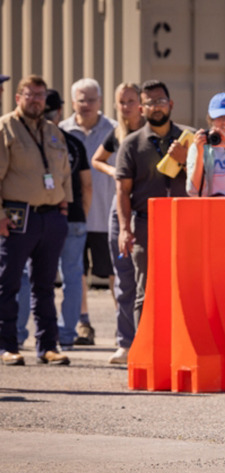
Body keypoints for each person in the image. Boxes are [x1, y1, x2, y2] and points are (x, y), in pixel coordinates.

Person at [0, 75, 72, 366]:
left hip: (51, 218)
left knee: (46, 285)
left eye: (40, 95)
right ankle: (7, 346)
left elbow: (65, 172)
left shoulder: (54, 131)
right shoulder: (5, 128)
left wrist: (64, 209)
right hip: (18, 216)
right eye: (30, 95)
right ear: (18, 98)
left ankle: (48, 346)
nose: (36, 100)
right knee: (8, 283)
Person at [16, 89, 92, 351]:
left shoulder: (26, 141)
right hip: (71, 217)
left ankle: (17, 333)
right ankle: (67, 334)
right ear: (60, 110)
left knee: (28, 276)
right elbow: (87, 185)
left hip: (36, 216)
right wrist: (81, 212)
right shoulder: (72, 142)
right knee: (71, 276)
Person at [115, 80, 190, 329]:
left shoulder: (188, 138)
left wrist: (187, 160)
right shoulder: (132, 144)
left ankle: (180, 353)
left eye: (160, 101)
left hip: (185, 225)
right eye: (149, 103)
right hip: (146, 225)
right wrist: (125, 229)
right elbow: (123, 191)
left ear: (170, 104)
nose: (156, 107)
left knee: (186, 291)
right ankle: (144, 356)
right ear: (141, 109)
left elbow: (205, 182)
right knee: (145, 293)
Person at [59, 78, 118, 346]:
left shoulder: (115, 131)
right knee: (78, 272)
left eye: (91, 99)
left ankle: (123, 325)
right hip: (75, 218)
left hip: (106, 216)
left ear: (101, 101)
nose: (86, 104)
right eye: (81, 99)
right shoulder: (60, 131)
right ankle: (83, 323)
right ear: (73, 102)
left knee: (113, 272)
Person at [91, 82, 144, 364]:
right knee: (123, 277)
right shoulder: (117, 133)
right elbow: (96, 159)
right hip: (119, 210)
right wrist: (116, 171)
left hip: (145, 210)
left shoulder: (151, 132)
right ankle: (125, 342)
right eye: (121, 102)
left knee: (147, 279)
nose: (126, 107)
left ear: (141, 104)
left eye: (131, 101)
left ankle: (147, 339)